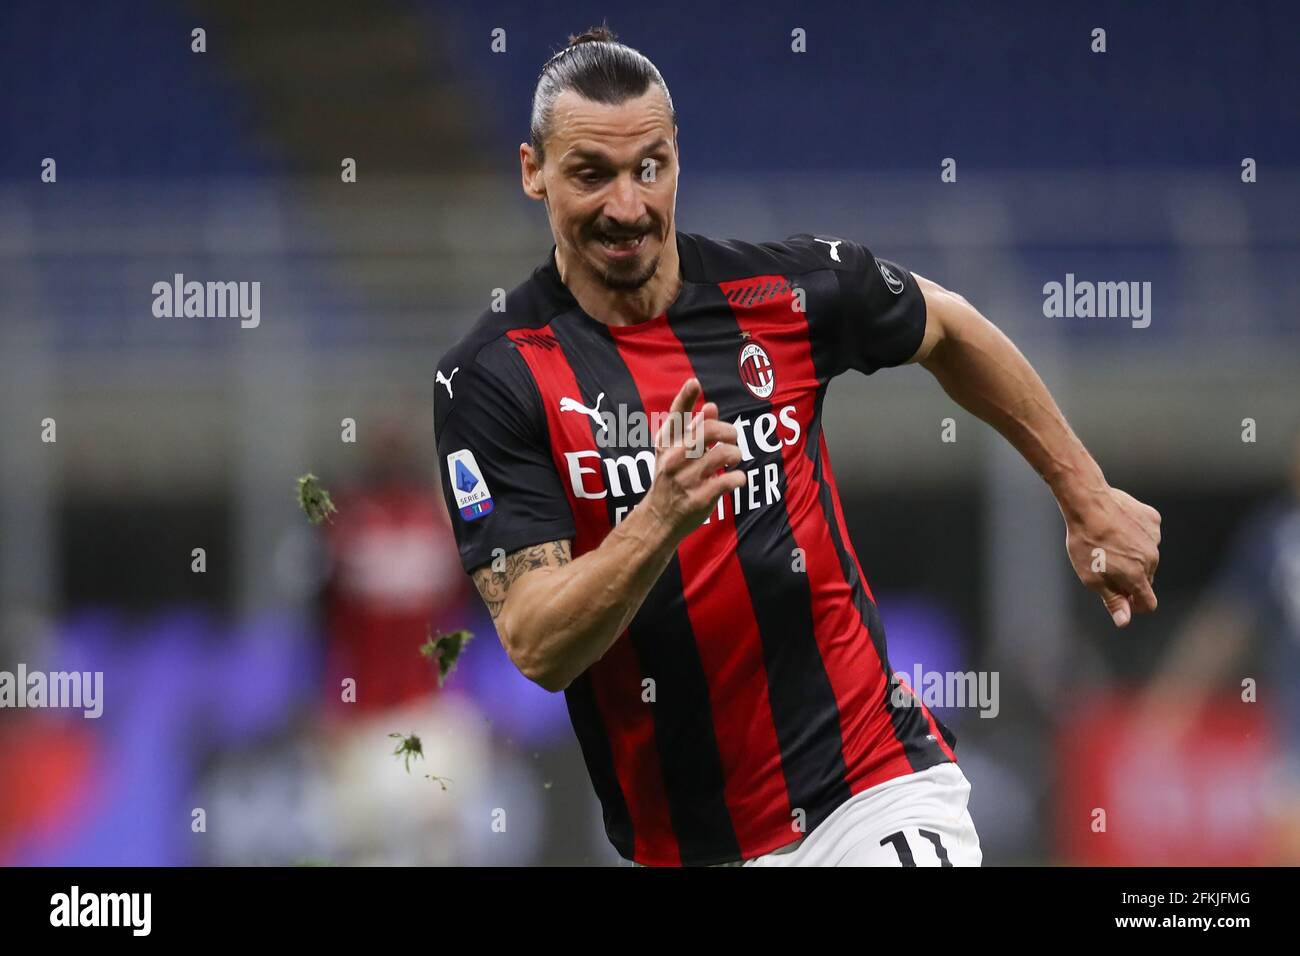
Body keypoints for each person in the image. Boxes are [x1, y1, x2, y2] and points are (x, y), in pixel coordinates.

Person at [433, 27, 1161, 867]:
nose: (628, 206)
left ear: (677, 160)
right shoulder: (495, 378)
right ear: (534, 171)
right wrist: (658, 519)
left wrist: (1084, 494)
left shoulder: (782, 292)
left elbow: (949, 327)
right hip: (684, 845)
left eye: (650, 168)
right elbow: (536, 643)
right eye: (592, 174)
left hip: (866, 790)